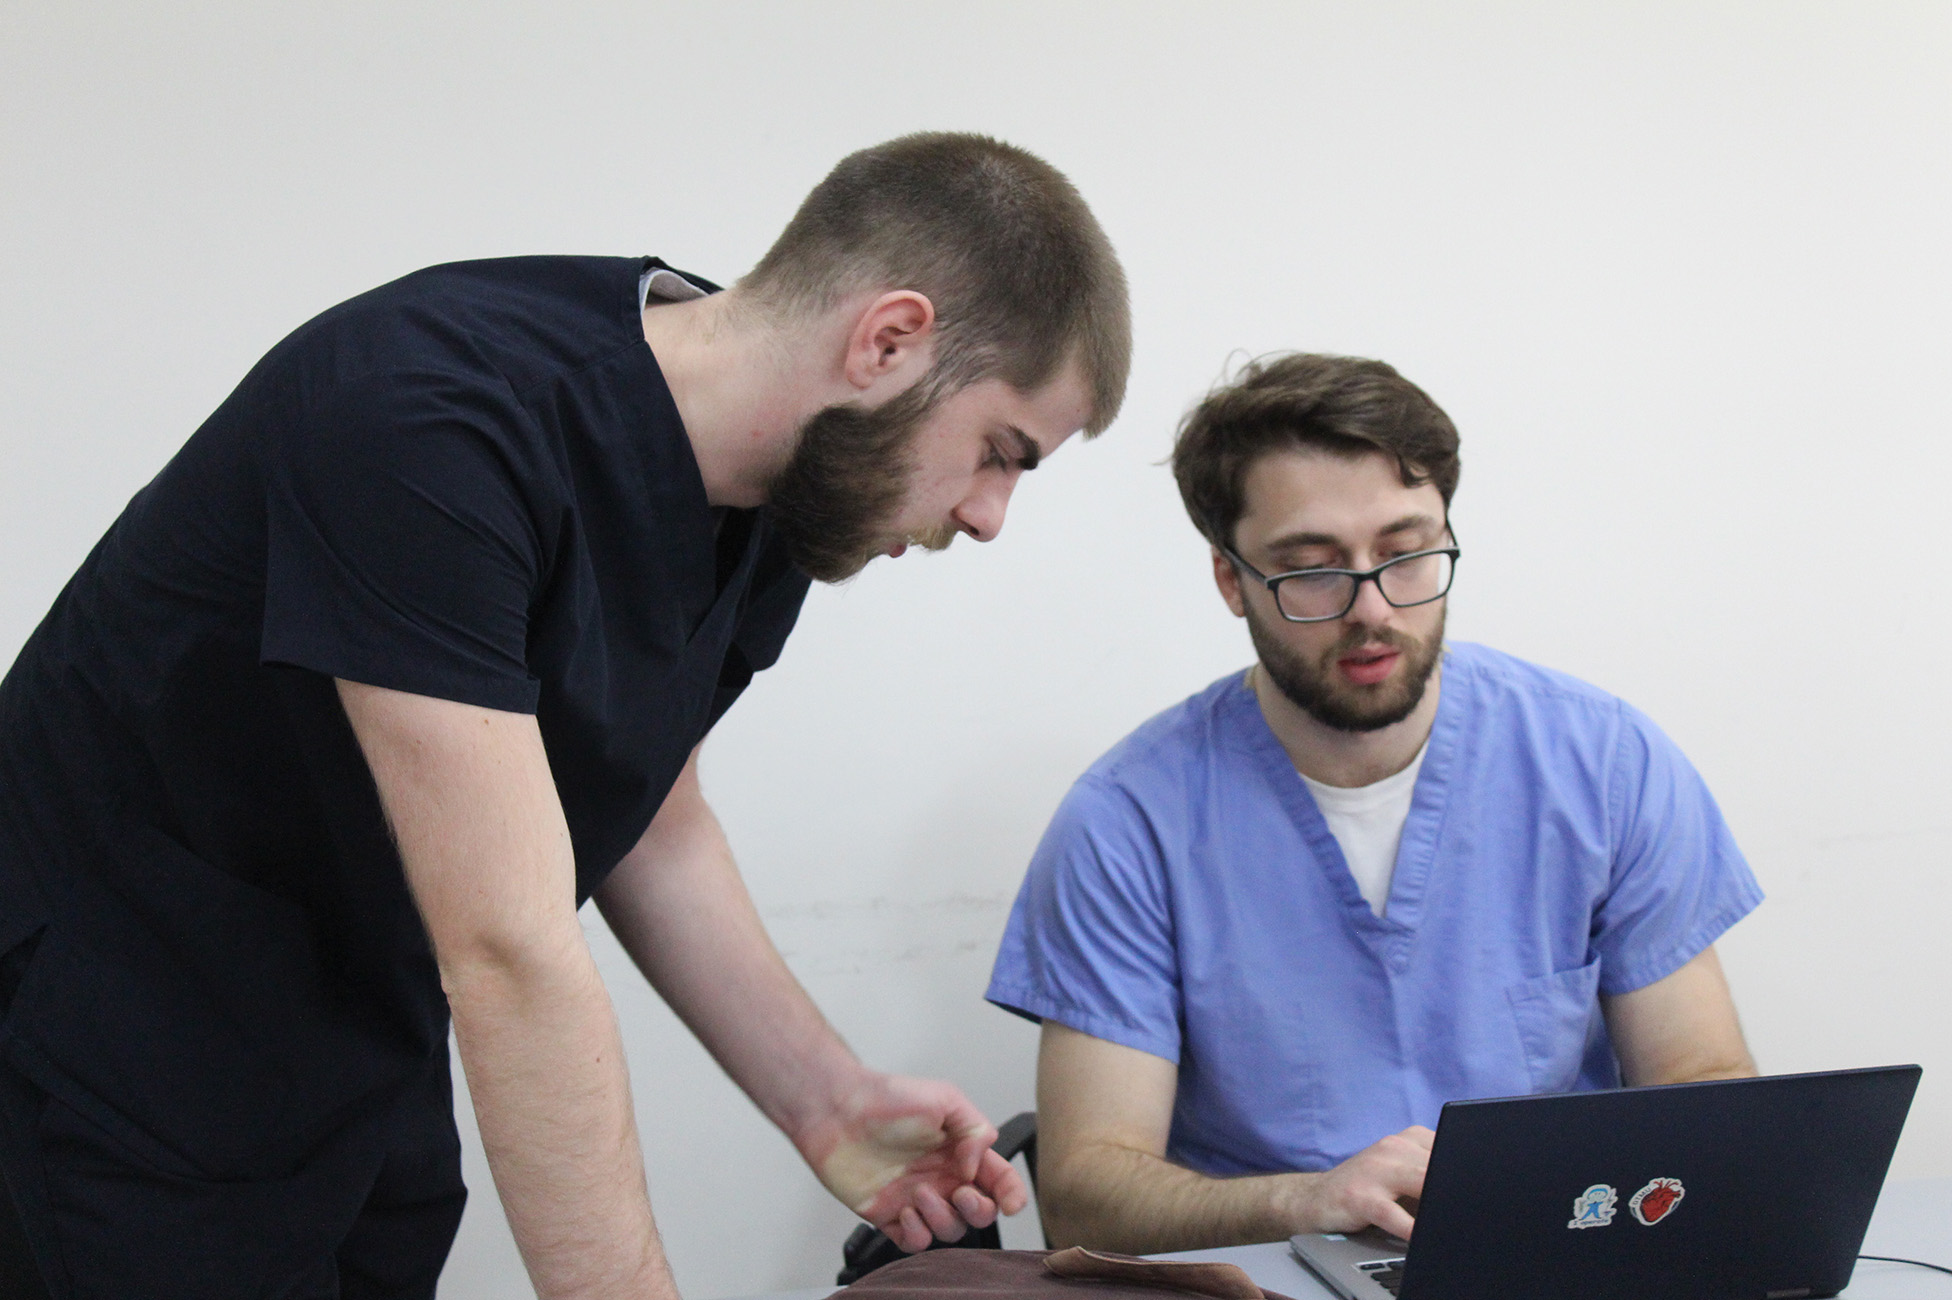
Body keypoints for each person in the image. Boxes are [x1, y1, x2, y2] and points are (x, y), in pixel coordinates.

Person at [0, 132, 1130, 1300]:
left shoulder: (782, 492)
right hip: (114, 1023)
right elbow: (508, 948)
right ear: (887, 341)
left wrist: (825, 1099)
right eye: (999, 453)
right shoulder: (426, 419)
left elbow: (652, 817)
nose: (989, 515)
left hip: (351, 1031)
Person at [985, 353, 1759, 1254]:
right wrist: (1305, 1203)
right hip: (1266, 1275)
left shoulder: (1603, 765)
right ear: (1232, 580)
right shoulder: (1126, 825)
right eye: (1312, 569)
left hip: (1555, 1258)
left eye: (1405, 553)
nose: (1374, 609)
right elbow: (1085, 1196)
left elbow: (1703, 1085)